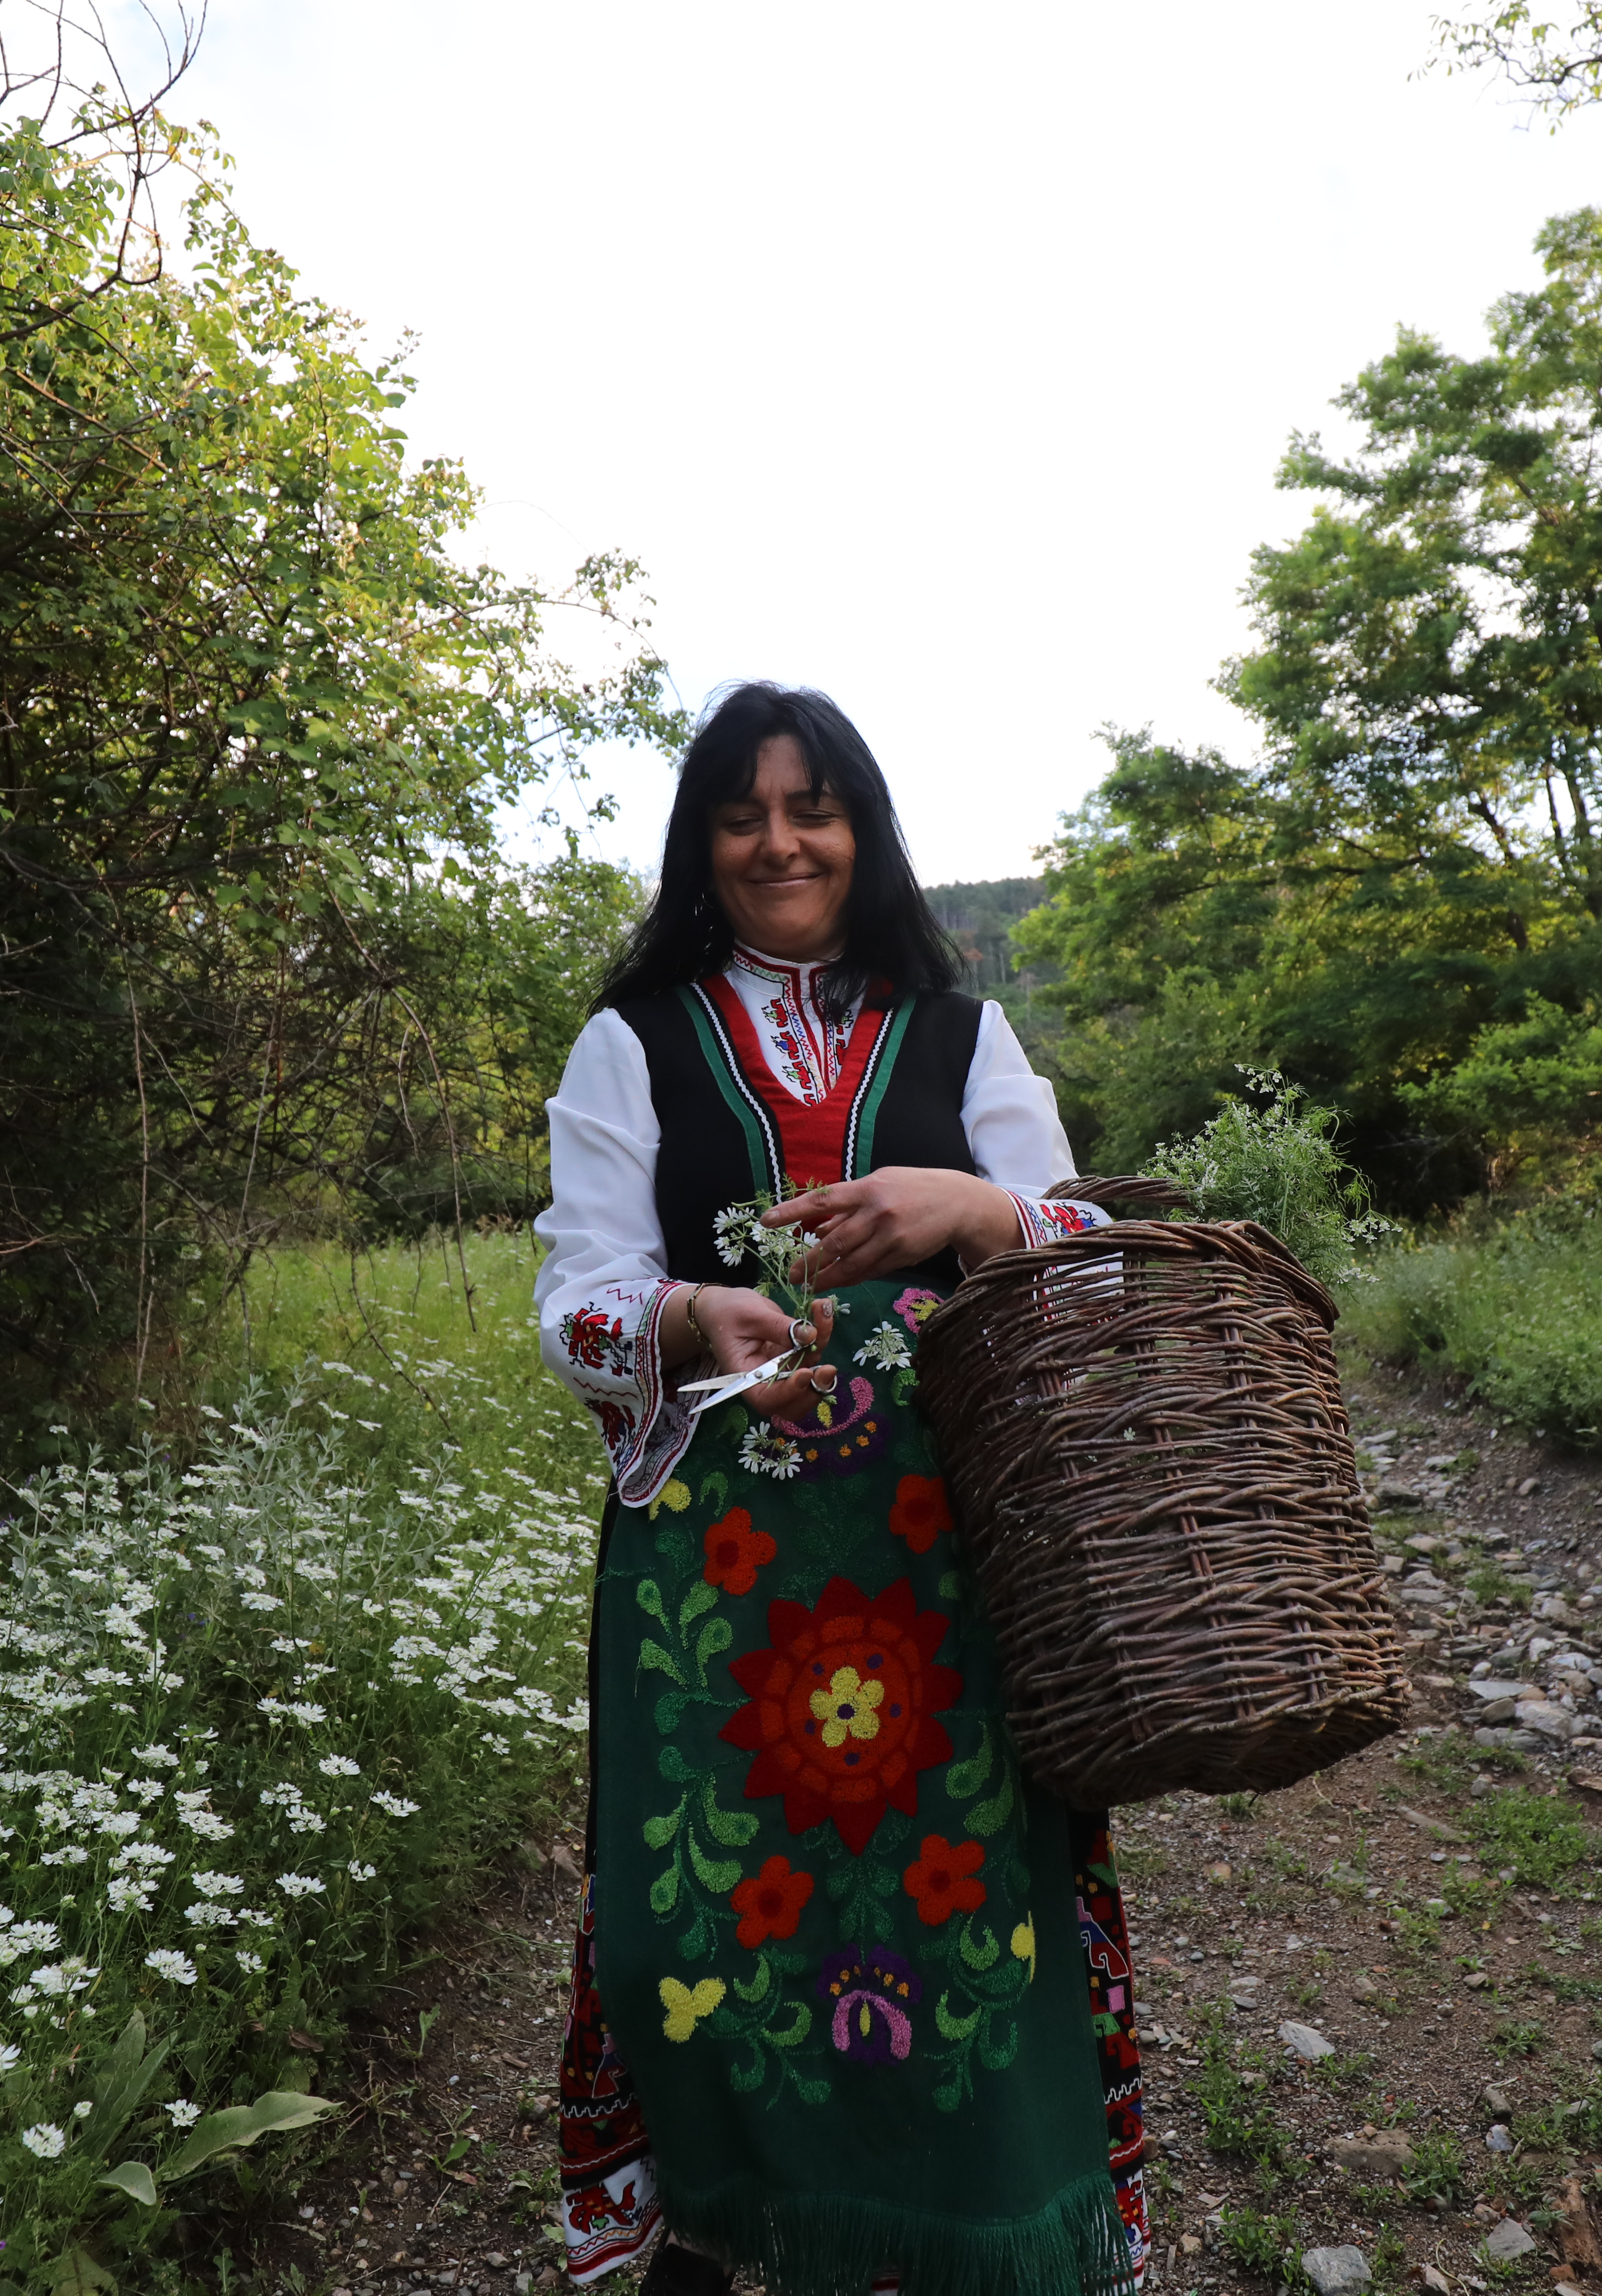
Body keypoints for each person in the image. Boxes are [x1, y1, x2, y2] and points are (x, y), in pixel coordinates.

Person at [533, 683, 1145, 2296]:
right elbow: (573, 1297)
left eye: (812, 809)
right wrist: (676, 1312)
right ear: (703, 841)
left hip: (950, 1568)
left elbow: (1093, 1270)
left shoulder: (961, 1036)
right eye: (743, 813)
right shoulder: (635, 1044)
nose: (780, 842)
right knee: (708, 1915)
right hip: (718, 1579)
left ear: (862, 831)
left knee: (967, 1902)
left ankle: (969, 2228)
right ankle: (719, 2223)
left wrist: (971, 1207)